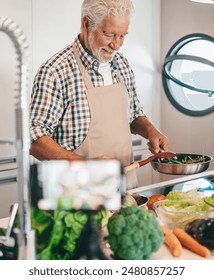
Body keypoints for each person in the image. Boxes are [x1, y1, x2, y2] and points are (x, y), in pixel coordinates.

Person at [29, 0, 169, 189]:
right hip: (77, 193)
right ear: (86, 24)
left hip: (125, 188)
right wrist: (85, 166)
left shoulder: (122, 65)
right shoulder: (55, 71)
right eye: (109, 34)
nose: (117, 45)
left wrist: (150, 130)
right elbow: (35, 140)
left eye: (122, 36)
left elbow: (134, 114)